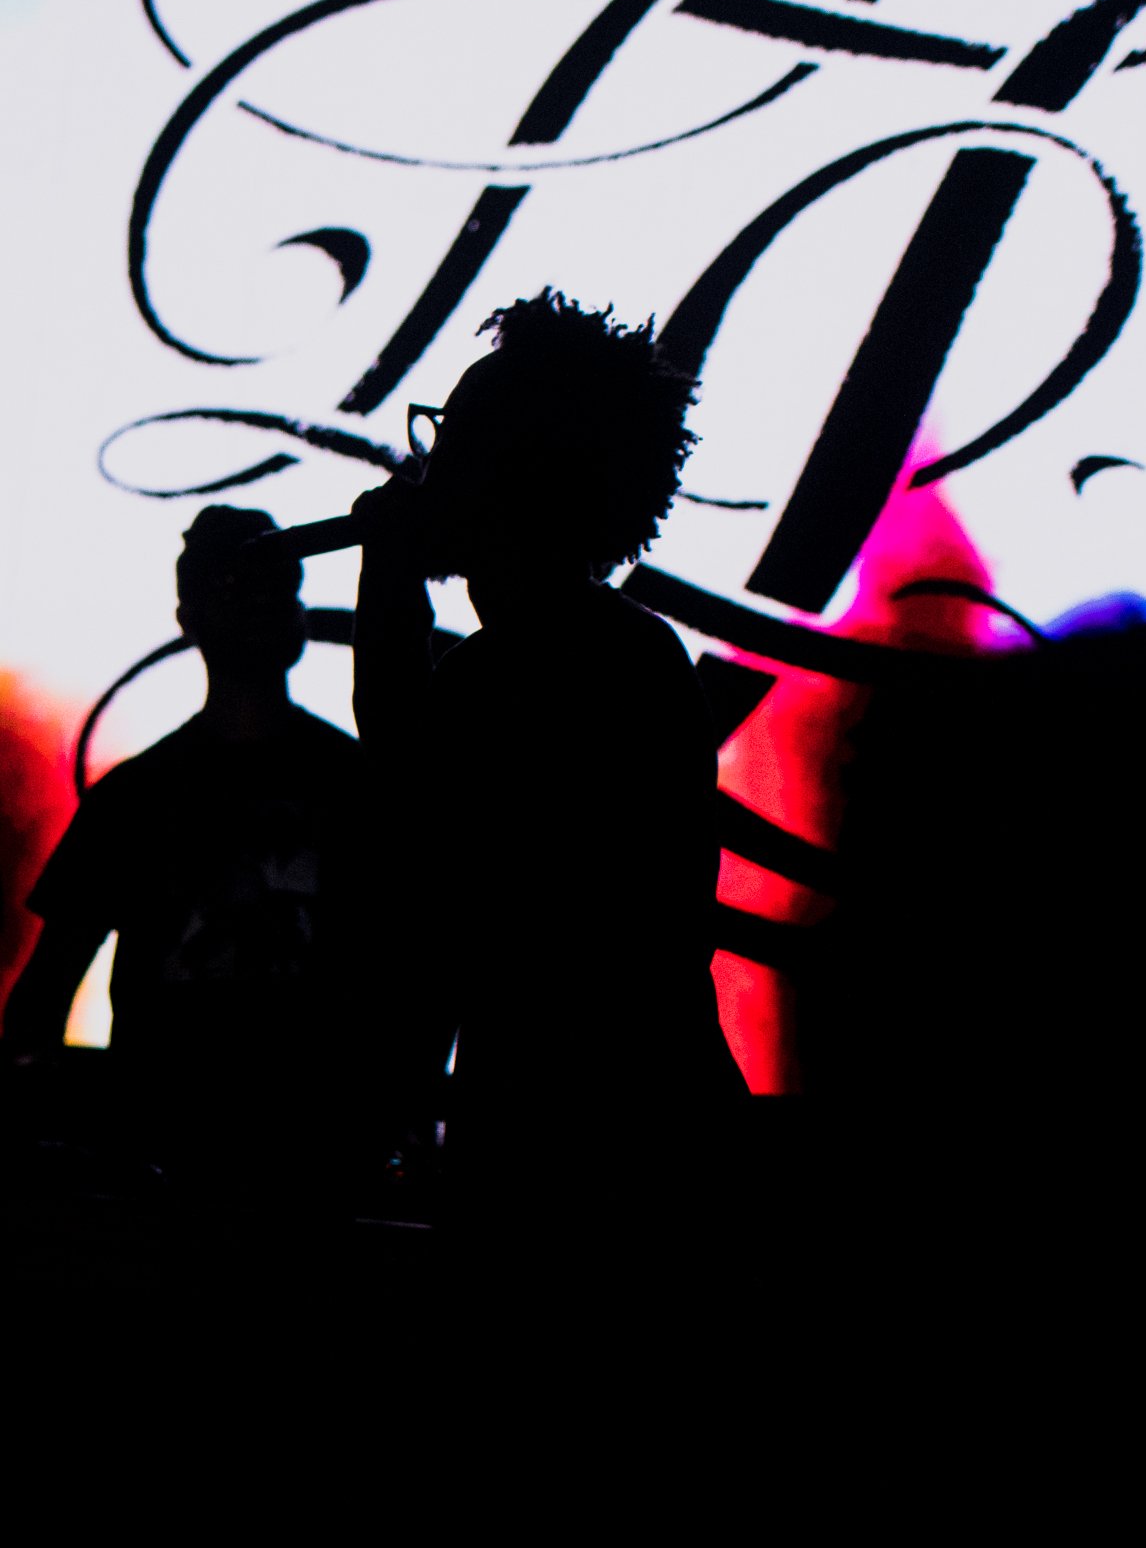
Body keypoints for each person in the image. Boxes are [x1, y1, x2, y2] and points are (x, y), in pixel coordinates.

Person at [352, 288, 745, 1126]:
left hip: (602, 1142)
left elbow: (412, 797)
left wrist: (387, 574)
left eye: (449, 440)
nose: (424, 469)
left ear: (514, 473)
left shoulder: (580, 662)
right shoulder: (581, 652)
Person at [5, 505, 376, 1210]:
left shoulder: (138, 792)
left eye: (276, 586)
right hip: (269, 1166)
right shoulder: (353, 782)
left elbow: (42, 997)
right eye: (242, 587)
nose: (266, 606)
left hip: (203, 1165)